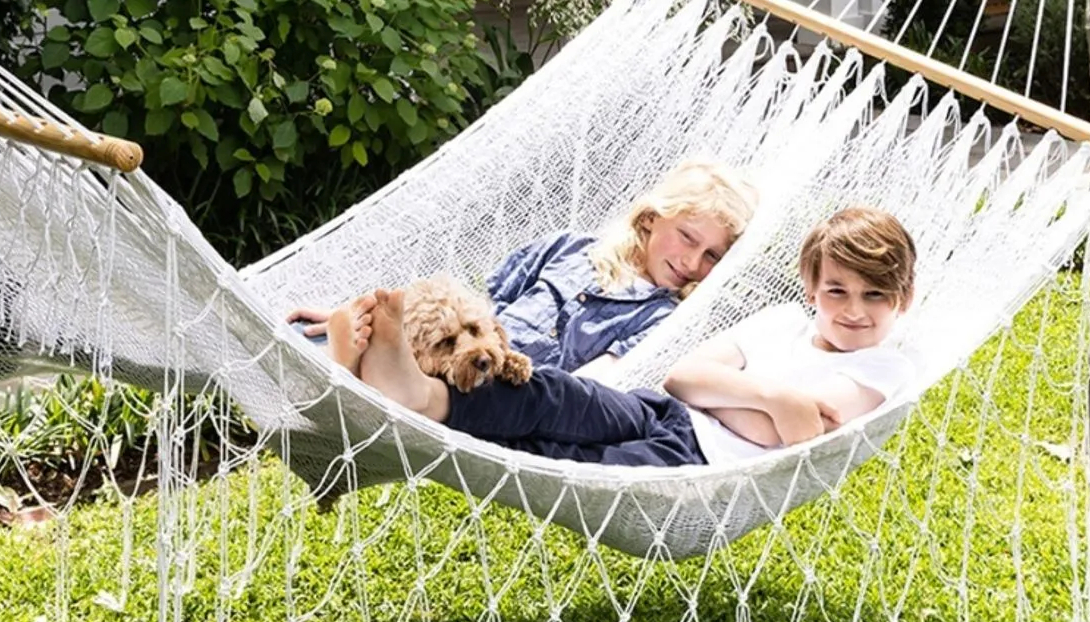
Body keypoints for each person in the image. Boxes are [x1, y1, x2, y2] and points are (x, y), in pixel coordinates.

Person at [337, 205, 917, 470]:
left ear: (903, 302)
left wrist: (754, 396)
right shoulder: (781, 323)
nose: (853, 311)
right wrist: (775, 396)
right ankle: (418, 392)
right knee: (554, 393)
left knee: (561, 459)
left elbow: (795, 434)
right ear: (811, 290)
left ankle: (418, 401)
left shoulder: (885, 366)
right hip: (659, 409)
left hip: (695, 457)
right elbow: (682, 379)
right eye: (837, 291)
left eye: (875, 296)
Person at [288, 159, 758, 378]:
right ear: (652, 219)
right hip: (463, 356)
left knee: (424, 386)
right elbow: (474, 309)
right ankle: (359, 336)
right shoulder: (572, 248)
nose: (692, 262)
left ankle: (360, 364)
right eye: (688, 238)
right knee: (296, 338)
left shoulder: (663, 318)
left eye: (712, 256)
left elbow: (596, 382)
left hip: (522, 388)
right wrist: (378, 317)